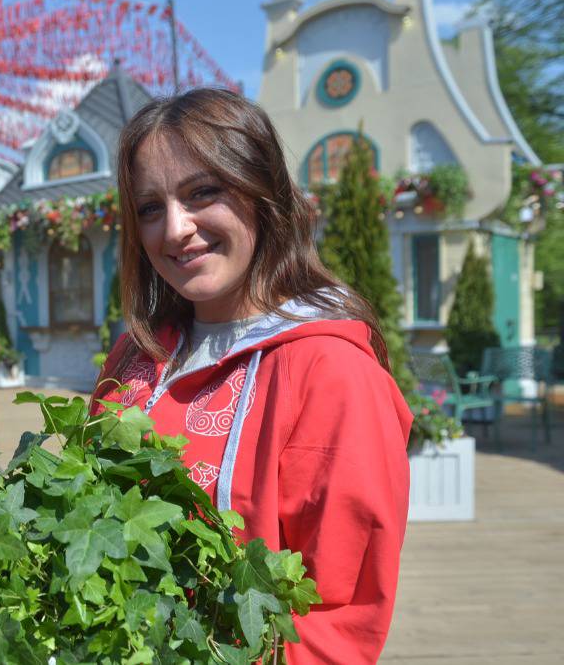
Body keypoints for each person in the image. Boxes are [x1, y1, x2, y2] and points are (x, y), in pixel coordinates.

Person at [92, 88, 411, 664]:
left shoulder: (330, 371)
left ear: (261, 191)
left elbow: (339, 616)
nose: (175, 229)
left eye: (202, 192)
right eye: (150, 208)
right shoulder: (135, 357)